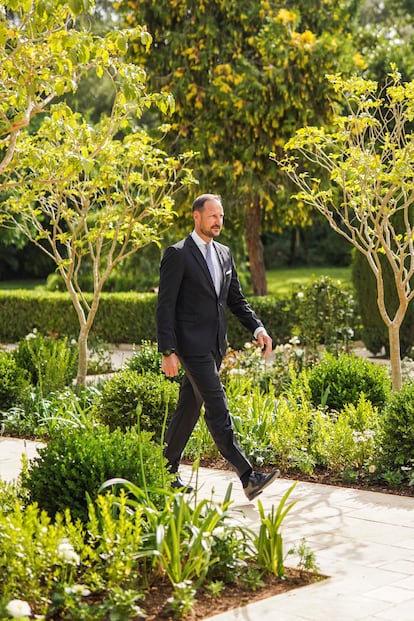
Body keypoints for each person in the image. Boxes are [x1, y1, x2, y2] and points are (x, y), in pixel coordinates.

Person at [156, 193, 280, 501]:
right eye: (213, 216)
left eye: (221, 216)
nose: (218, 221)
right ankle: (248, 476)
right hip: (190, 347)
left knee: (188, 408)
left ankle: (163, 471)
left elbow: (235, 299)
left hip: (215, 346)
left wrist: (258, 327)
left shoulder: (225, 254)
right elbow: (165, 306)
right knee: (217, 405)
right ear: (196, 216)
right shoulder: (178, 254)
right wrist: (168, 351)